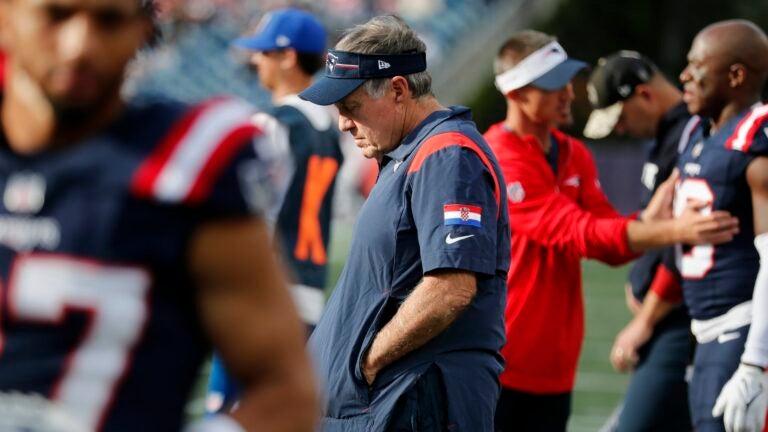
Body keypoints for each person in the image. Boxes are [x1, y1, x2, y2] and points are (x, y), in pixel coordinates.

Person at [0, 0, 318, 431]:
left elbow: (286, 390)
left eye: (109, 19)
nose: (79, 45)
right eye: (56, 15)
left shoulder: (187, 163)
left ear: (142, 28)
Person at [483, 30, 739, 431]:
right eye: (553, 85)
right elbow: (576, 232)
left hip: (557, 363)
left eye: (568, 79)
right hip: (499, 360)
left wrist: (649, 225)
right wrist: (674, 230)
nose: (569, 93)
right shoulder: (498, 156)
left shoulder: (574, 153)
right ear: (516, 93)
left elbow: (610, 243)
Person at [299, 15, 510, 431]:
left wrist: (365, 362)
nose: (343, 122)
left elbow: (451, 287)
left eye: (351, 105)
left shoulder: (447, 156)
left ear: (398, 89)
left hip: (411, 403)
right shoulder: (411, 155)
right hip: (386, 404)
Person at [205, 7, 343, 414]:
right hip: (309, 292)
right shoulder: (328, 127)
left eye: (264, 52)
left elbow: (251, 214)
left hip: (266, 295)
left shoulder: (274, 123)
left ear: (287, 57)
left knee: (226, 416)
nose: (256, 61)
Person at [584, 51, 695, 432]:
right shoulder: (665, 134)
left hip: (680, 319)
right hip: (669, 319)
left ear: (644, 95)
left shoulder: (689, 135)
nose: (620, 130)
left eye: (621, 117)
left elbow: (688, 240)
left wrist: (646, 320)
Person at [675, 19, 768, 432]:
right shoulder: (698, 130)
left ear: (735, 75)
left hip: (742, 327)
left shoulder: (754, 138)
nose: (685, 75)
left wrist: (755, 361)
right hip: (704, 330)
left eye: (697, 65)